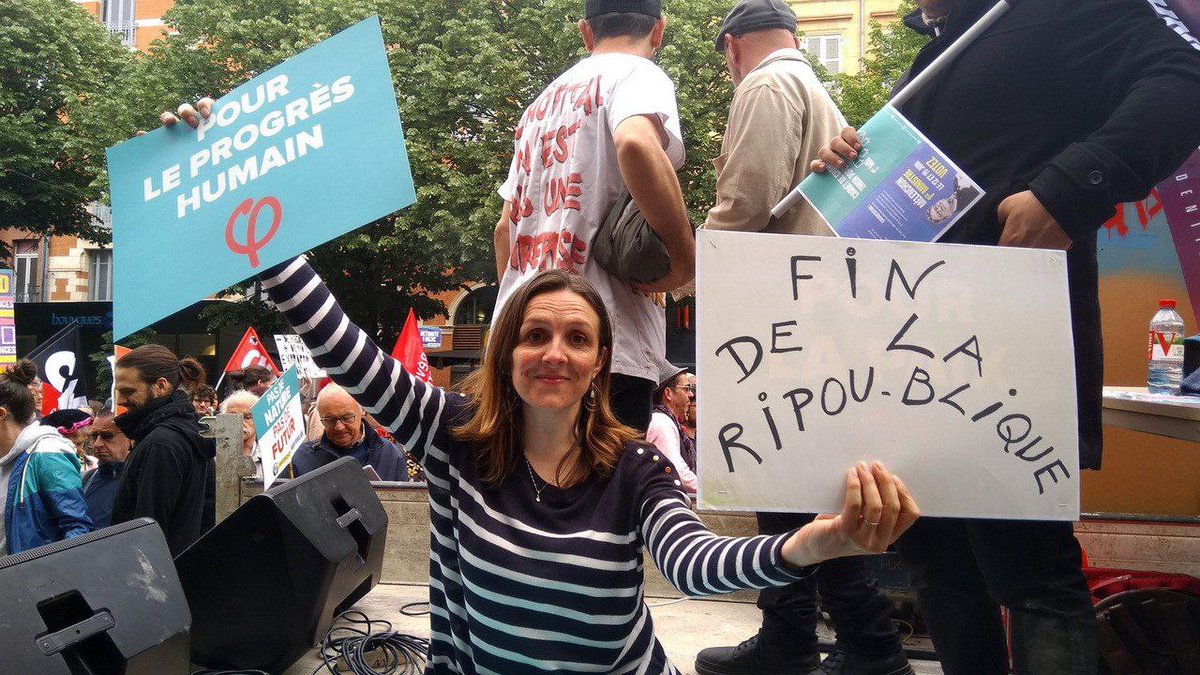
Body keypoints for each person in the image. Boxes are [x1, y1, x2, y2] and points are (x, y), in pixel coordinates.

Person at [245, 253, 919, 673]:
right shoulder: (449, 433)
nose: (555, 352)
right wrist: (265, 238)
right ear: (507, 354)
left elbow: (693, 562)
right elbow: (347, 352)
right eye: (534, 335)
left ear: (600, 363)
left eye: (577, 338)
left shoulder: (633, 466)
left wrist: (813, 542)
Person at [811, 1, 1200, 673]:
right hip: (911, 352)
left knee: (1028, 569)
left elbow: (1184, 80)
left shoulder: (1059, 9)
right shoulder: (943, 48)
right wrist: (853, 164)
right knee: (936, 561)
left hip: (1011, 344)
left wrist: (1068, 189)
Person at [697, 2, 913, 673]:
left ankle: (857, 646)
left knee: (787, 481)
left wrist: (688, 269)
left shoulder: (763, 86)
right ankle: (824, 640)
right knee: (801, 486)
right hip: (819, 309)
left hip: (780, 310)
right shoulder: (815, 88)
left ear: (732, 49)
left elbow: (747, 202)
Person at [491, 0, 696, 432]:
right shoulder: (640, 74)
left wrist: (517, 322)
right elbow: (636, 143)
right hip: (602, 346)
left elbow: (503, 231)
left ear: (587, 33)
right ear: (658, 32)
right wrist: (684, 260)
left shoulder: (537, 108)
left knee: (533, 493)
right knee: (608, 493)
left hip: (522, 346)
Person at [111, 347, 216, 555]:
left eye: (128, 391)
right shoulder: (187, 431)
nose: (120, 401)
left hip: (158, 577)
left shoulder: (162, 443)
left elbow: (148, 530)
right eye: (118, 391)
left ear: (160, 386)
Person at [0, 360, 93, 554]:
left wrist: (47, 580)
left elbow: (77, 529)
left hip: (31, 580)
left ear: (2, 414)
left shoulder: (47, 452)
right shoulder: (6, 460)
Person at [287, 384, 408, 481]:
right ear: (320, 419)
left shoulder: (391, 454)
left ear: (362, 412)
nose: (339, 427)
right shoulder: (301, 458)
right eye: (330, 420)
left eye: (347, 418)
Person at [644, 362, 697, 493]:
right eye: (686, 389)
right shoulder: (661, 423)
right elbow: (678, 472)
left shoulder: (662, 420)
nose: (690, 395)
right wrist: (710, 493)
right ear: (668, 393)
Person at [82, 410, 132, 529]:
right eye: (94, 436)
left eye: (107, 436)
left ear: (129, 439)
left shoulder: (141, 479)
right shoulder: (85, 479)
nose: (97, 444)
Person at [42, 408, 96, 472]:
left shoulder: (93, 463)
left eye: (82, 443)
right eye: (76, 444)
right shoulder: (48, 465)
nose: (79, 449)